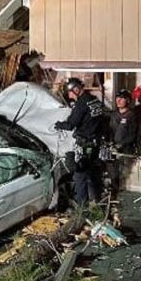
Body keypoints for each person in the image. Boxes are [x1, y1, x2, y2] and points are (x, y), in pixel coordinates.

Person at [55, 77, 107, 206]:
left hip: (85, 144)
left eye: (70, 92)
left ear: (76, 89)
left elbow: (71, 124)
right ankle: (98, 200)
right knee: (93, 173)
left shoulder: (82, 103)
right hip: (96, 144)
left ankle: (82, 207)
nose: (70, 96)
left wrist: (58, 124)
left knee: (80, 175)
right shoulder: (95, 100)